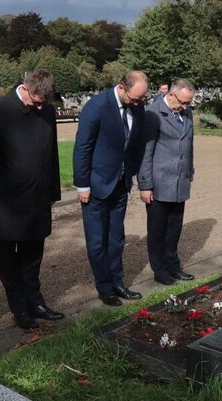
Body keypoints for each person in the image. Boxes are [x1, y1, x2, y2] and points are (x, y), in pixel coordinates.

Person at [0, 70, 65, 330]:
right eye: (36, 101)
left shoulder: (46, 111)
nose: (39, 107)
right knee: (9, 260)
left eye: (43, 103)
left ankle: (35, 302)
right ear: (25, 87)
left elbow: (52, 155)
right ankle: (19, 308)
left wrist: (52, 192)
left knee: (33, 256)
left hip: (38, 199)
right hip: (7, 203)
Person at [73, 71, 149, 306]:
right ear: (121, 87)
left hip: (121, 183)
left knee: (116, 238)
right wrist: (82, 184)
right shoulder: (97, 106)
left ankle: (118, 282)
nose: (138, 103)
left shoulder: (136, 107)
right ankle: (104, 287)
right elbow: (82, 147)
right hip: (96, 185)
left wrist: (132, 172)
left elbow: (136, 142)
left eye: (141, 99)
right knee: (97, 241)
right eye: (134, 98)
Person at [137, 79, 196, 286]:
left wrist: (190, 171)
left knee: (174, 228)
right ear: (171, 95)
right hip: (159, 182)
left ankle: (173, 265)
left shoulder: (187, 113)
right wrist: (145, 184)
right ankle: (159, 269)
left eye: (189, 103)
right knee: (157, 230)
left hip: (180, 181)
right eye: (183, 102)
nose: (186, 106)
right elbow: (146, 151)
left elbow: (189, 145)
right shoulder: (153, 114)